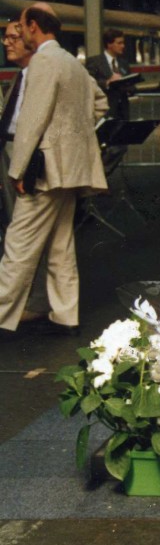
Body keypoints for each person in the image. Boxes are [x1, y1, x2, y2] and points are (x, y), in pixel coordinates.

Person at [0, 5, 107, 336]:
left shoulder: (44, 62)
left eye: (21, 27)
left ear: (33, 26)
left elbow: (33, 120)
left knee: (18, 246)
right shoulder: (72, 63)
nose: (20, 34)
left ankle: (2, 315)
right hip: (69, 171)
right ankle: (65, 315)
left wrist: (18, 172)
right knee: (61, 247)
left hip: (43, 171)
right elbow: (99, 103)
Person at [0, 20, 49, 320]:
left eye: (13, 38)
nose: (7, 43)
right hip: (9, 154)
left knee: (23, 232)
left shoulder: (37, 75)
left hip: (22, 158)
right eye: (5, 38)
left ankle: (29, 302)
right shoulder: (20, 76)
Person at [85, 27, 136, 121]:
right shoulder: (95, 62)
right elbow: (88, 83)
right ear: (109, 44)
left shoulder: (123, 63)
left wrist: (128, 85)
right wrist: (107, 83)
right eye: (119, 43)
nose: (123, 46)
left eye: (123, 43)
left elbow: (133, 88)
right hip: (104, 112)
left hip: (123, 114)